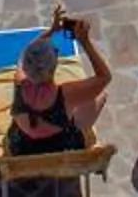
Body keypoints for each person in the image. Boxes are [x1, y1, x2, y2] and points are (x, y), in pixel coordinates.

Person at [6, 13, 112, 161]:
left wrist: (51, 31)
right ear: (52, 69)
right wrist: (85, 41)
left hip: (23, 147)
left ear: (26, 67)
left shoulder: (19, 80)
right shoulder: (66, 94)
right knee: (100, 96)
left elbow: (26, 52)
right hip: (61, 149)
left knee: (79, 102)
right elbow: (105, 77)